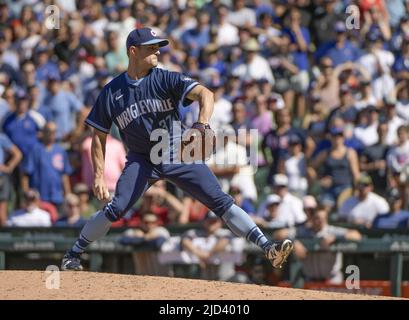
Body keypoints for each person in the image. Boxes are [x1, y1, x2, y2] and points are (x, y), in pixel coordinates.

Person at [61, 28, 293, 271]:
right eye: (151, 47)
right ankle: (73, 254)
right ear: (133, 51)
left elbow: (206, 94)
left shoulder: (164, 78)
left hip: (176, 151)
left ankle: (269, 248)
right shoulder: (112, 91)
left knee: (220, 201)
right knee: (116, 207)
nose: (158, 51)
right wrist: (98, 175)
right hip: (142, 159)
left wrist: (202, 123)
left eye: (158, 46)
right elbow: (98, 136)